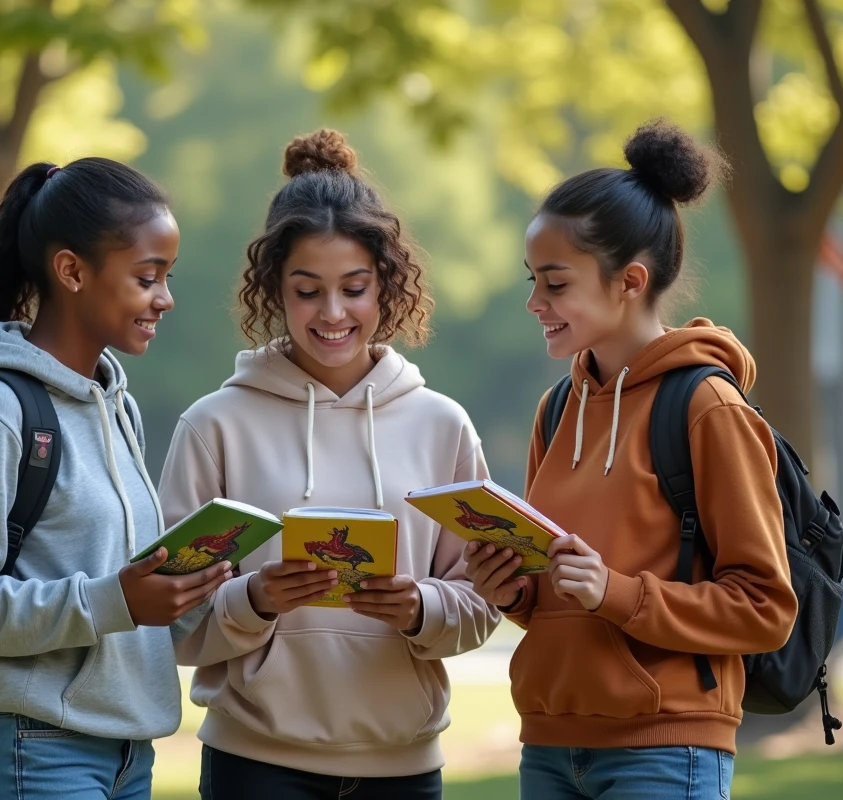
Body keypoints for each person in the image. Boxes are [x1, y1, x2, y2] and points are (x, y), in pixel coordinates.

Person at [158, 129, 499, 800]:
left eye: (354, 288)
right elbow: (170, 617)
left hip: (403, 771)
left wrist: (419, 607)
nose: (333, 313)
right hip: (254, 768)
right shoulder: (214, 426)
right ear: (274, 291)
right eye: (308, 290)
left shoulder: (442, 425)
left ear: (387, 287)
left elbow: (484, 598)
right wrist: (253, 600)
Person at [464, 120, 798, 798]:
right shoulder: (557, 411)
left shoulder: (708, 407)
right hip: (549, 746)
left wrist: (615, 591)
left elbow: (764, 608)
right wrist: (515, 590)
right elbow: (565, 597)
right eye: (533, 281)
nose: (535, 303)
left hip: (666, 749)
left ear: (630, 281)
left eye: (555, 284)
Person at [0, 157, 231, 800]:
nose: (165, 299)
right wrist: (114, 598)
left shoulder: (118, 408)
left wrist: (225, 590)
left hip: (128, 761)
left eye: (167, 277)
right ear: (72, 271)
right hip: (35, 754)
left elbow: (126, 610)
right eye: (148, 278)